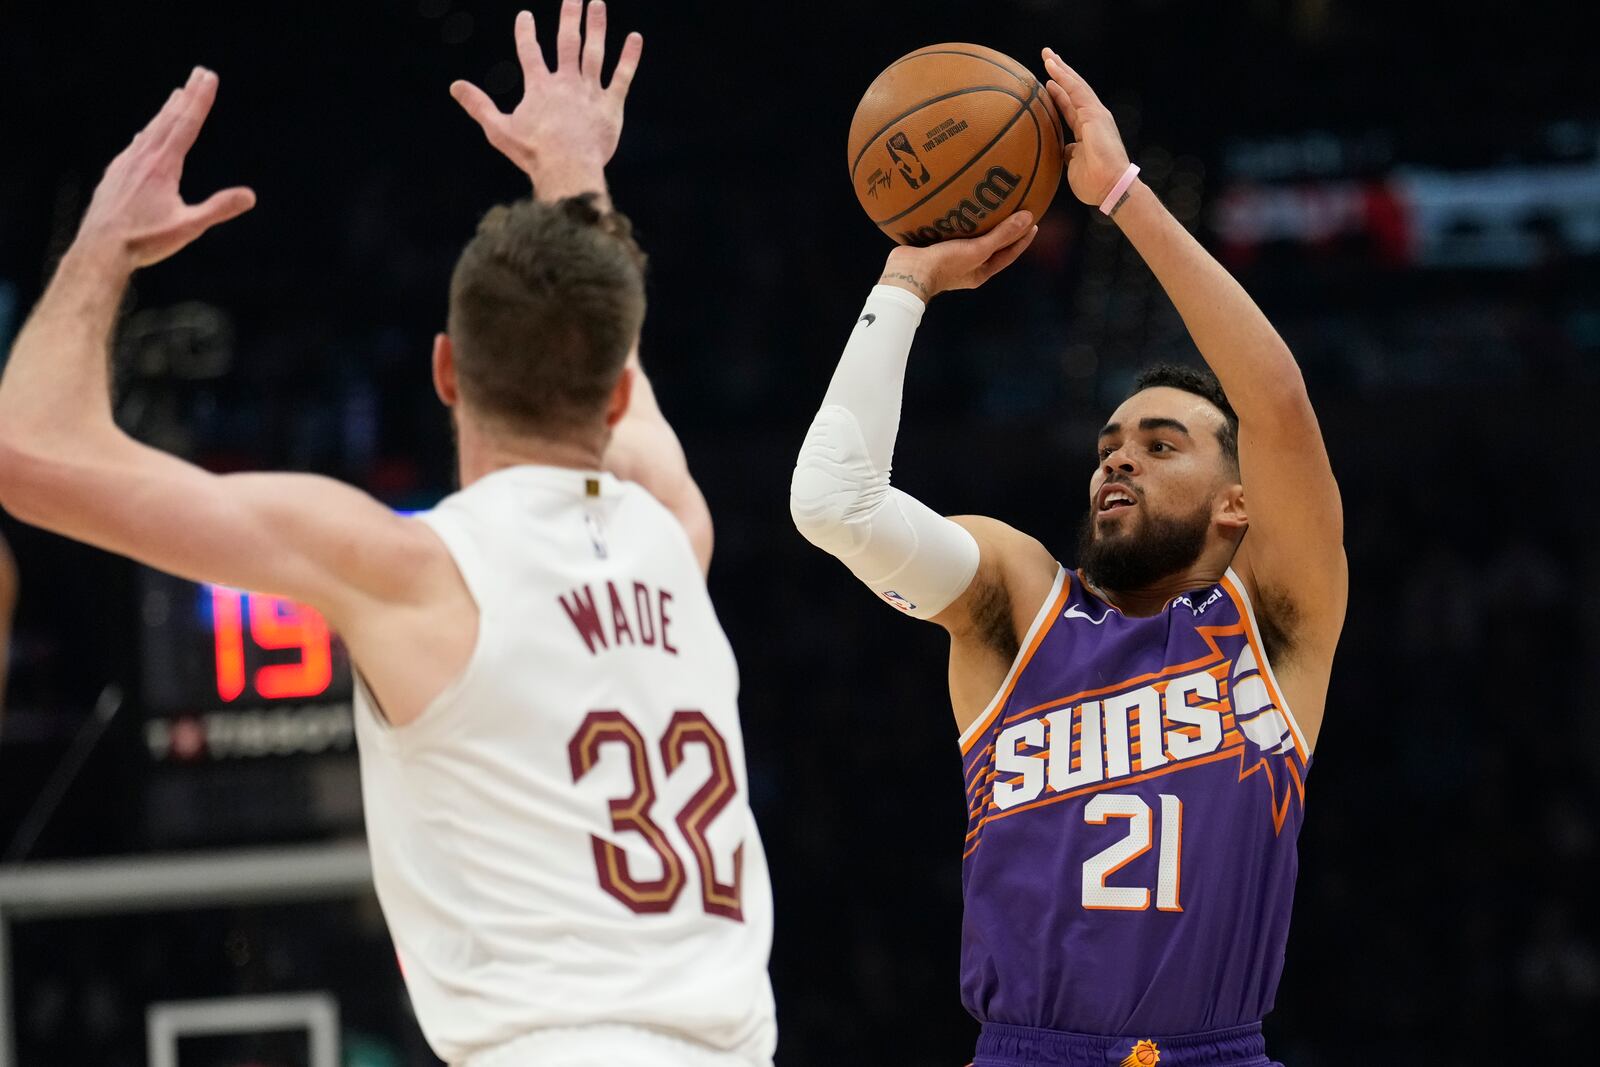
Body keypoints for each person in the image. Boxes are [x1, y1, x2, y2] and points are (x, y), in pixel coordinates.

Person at [0, 4, 776, 1065]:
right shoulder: (671, 528)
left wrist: (102, 249)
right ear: (611, 395)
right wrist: (571, 165)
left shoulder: (415, 569)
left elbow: (28, 453)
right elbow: (610, 342)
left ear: (446, 370)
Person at [790, 50, 1344, 1067]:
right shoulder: (1015, 599)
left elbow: (1275, 404)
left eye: (1160, 442)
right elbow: (832, 503)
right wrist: (905, 278)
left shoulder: (1273, 624)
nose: (1119, 456)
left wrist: (1122, 197)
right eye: (1109, 445)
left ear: (1237, 505)